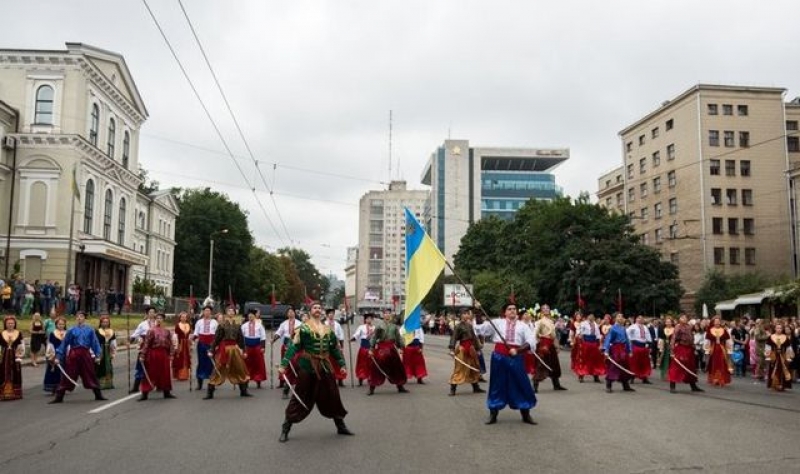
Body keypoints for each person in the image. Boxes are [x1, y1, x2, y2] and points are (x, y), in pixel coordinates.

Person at [278, 302, 352, 442]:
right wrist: (284, 364)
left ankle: (340, 426)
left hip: (325, 365)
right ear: (310, 311)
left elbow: (334, 349)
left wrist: (342, 363)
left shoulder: (328, 329)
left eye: (319, 308)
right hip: (307, 366)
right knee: (301, 395)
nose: (317, 310)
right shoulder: (304, 328)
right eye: (314, 308)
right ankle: (286, 427)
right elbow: (294, 347)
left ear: (322, 311)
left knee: (333, 395)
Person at [482, 302, 537, 425]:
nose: (512, 310)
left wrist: (518, 350)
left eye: (514, 309)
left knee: (521, 383)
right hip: (499, 357)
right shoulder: (497, 323)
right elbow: (482, 329)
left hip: (516, 357)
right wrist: (478, 311)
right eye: (509, 309)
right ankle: (493, 413)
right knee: (497, 384)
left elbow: (531, 341)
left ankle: (525, 413)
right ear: (505, 312)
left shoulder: (523, 326)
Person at [49, 311, 107, 403]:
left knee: (91, 374)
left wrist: (98, 355)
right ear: (76, 318)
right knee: (68, 375)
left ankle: (98, 394)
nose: (79, 318)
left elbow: (95, 343)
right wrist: (58, 357)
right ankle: (59, 397)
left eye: (81, 316)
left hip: (85, 355)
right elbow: (64, 344)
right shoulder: (71, 330)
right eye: (77, 316)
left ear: (84, 318)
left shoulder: (90, 330)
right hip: (73, 355)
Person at [203, 306, 251, 399]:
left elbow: (241, 339)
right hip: (224, 349)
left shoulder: (237, 324)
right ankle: (210, 392)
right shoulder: (222, 324)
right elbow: (216, 338)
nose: (231, 312)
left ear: (235, 313)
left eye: (232, 311)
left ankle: (243, 390)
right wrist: (211, 349)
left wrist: (244, 350)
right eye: (229, 311)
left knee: (240, 368)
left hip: (234, 349)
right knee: (218, 368)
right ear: (226, 313)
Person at [367, 310, 408, 395]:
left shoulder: (394, 326)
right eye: (385, 313)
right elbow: (374, 337)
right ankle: (371, 387)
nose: (387, 315)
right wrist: (371, 349)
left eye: (389, 313)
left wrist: (402, 346)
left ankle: (400, 386)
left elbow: (398, 337)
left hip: (392, 349)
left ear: (391, 315)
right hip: (381, 349)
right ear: (383, 315)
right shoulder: (379, 326)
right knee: (376, 368)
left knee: (397, 367)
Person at [138, 313, 176, 401]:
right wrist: (143, 355)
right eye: (157, 318)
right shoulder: (151, 331)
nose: (159, 319)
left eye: (161, 318)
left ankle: (167, 392)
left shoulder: (167, 331)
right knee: (151, 372)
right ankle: (144, 393)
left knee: (165, 373)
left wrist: (171, 354)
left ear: (163, 320)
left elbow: (171, 344)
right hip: (153, 354)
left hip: (164, 354)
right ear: (155, 320)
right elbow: (146, 344)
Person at [447, 307, 485, 396]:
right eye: (464, 313)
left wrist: (478, 348)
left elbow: (474, 338)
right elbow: (454, 338)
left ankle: (476, 387)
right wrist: (452, 349)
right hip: (462, 349)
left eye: (467, 313)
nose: (466, 315)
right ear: (460, 315)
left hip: (471, 349)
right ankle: (453, 388)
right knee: (459, 369)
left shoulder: (470, 326)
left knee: (474, 368)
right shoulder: (458, 326)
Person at [533, 304, 567, 391]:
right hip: (543, 344)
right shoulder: (539, 321)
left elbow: (554, 336)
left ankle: (556, 384)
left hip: (551, 344)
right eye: (543, 308)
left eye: (547, 308)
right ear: (541, 311)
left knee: (554, 363)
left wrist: (557, 346)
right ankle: (535, 386)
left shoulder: (552, 321)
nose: (546, 309)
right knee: (541, 364)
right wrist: (537, 343)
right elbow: (535, 334)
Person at [668, 314, 704, 393]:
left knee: (691, 367)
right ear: (679, 319)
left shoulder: (689, 327)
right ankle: (672, 386)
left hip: (689, 349)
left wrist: (694, 348)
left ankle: (693, 386)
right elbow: (673, 339)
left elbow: (692, 338)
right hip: (681, 348)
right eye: (682, 317)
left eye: (685, 317)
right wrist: (672, 351)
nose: (684, 319)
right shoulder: (678, 327)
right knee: (677, 367)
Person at [603, 313, 635, 393]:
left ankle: (625, 385)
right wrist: (606, 351)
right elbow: (608, 339)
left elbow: (627, 340)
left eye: (622, 316)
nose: (621, 318)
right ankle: (609, 384)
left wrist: (629, 350)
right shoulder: (613, 328)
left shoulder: (623, 328)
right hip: (616, 349)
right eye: (619, 317)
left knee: (625, 366)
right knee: (614, 366)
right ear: (615, 319)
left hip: (623, 349)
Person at [272, 307, 299, 398]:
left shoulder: (300, 323)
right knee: (285, 365)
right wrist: (273, 340)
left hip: (296, 347)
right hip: (286, 346)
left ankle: (295, 384)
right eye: (289, 312)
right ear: (287, 314)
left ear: (295, 313)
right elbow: (279, 333)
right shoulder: (284, 324)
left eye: (292, 312)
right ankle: (283, 382)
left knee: (295, 365)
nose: (291, 313)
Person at [129, 307, 157, 393]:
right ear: (147, 314)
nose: (152, 313)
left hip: (155, 347)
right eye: (150, 312)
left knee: (154, 366)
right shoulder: (143, 324)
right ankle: (135, 386)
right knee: (141, 366)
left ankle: (155, 384)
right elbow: (135, 334)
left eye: (153, 312)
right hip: (144, 347)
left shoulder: (157, 323)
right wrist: (130, 341)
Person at [191, 305, 218, 390]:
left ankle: (212, 383)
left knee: (211, 363)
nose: (207, 312)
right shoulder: (199, 322)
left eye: (208, 311)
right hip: (201, 344)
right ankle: (200, 383)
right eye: (205, 311)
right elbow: (196, 333)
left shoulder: (214, 322)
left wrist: (217, 345)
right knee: (201, 362)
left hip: (211, 344)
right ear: (203, 312)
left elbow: (217, 335)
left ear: (211, 312)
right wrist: (191, 340)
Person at [1, 315, 25, 400]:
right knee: (3, 372)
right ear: (5, 324)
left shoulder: (18, 333)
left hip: (15, 356)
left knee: (15, 372)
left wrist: (20, 354)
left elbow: (21, 345)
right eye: (8, 323)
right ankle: (4, 393)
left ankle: (16, 393)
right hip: (4, 357)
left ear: (14, 324)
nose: (10, 324)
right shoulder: (2, 333)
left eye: (12, 323)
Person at [241, 309, 267, 388]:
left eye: (252, 316)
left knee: (258, 364)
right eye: (249, 316)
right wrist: (242, 348)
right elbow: (241, 338)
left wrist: (263, 347)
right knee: (247, 364)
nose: (250, 317)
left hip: (257, 346)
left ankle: (258, 380)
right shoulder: (244, 325)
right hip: (247, 346)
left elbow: (263, 336)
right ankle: (246, 380)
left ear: (255, 316)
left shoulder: (259, 325)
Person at [577, 313, 605, 382]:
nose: (591, 317)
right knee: (584, 359)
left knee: (595, 359)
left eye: (593, 316)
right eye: (590, 315)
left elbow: (598, 334)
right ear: (587, 316)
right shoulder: (583, 323)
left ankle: (596, 375)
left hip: (594, 343)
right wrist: (579, 335)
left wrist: (600, 343)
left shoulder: (595, 324)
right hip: (586, 343)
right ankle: (581, 375)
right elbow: (579, 331)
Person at [765, 323, 794, 392]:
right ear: (775, 329)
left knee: (783, 370)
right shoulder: (771, 337)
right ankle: (775, 384)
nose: (779, 329)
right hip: (774, 356)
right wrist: (768, 355)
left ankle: (782, 385)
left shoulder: (785, 337)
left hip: (783, 356)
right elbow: (768, 347)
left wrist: (789, 357)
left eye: (780, 328)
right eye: (777, 328)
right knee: (774, 369)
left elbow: (788, 348)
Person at [705, 317, 732, 387]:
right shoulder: (710, 330)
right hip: (713, 350)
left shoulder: (724, 330)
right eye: (715, 321)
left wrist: (729, 350)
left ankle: (721, 379)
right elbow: (707, 342)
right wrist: (707, 350)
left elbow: (728, 341)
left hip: (722, 350)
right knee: (714, 364)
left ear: (720, 322)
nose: (717, 323)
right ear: (713, 323)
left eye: (718, 321)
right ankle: (714, 379)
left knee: (722, 364)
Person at [626, 315, 653, 384]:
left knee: (644, 363)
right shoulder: (632, 327)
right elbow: (627, 334)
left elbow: (648, 336)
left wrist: (650, 345)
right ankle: (632, 377)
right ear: (636, 319)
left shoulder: (645, 327)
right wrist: (629, 343)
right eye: (638, 318)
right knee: (634, 362)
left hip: (643, 347)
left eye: (641, 318)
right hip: (635, 346)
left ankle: (644, 377)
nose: (640, 319)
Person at [324, 308, 347, 388]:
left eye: (332, 313)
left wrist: (341, 345)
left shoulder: (337, 324)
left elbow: (341, 335)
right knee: (328, 363)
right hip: (326, 346)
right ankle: (329, 380)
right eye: (329, 313)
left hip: (336, 345)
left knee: (339, 361)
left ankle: (340, 379)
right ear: (327, 315)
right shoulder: (324, 324)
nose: (331, 315)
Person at [43, 317, 67, 393]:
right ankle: (54, 386)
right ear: (56, 324)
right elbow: (50, 345)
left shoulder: (67, 333)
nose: (61, 325)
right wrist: (51, 355)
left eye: (62, 324)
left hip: (65, 354)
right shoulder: (53, 333)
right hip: (55, 353)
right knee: (55, 370)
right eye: (59, 324)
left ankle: (63, 386)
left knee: (64, 370)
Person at [350, 313, 375, 386]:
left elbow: (377, 337)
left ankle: (370, 378)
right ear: (365, 320)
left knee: (371, 364)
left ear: (372, 319)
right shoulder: (361, 327)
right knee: (362, 364)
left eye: (370, 318)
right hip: (363, 348)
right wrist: (352, 339)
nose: (369, 320)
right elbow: (356, 335)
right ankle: (360, 378)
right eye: (367, 318)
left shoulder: (374, 328)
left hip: (371, 348)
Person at [95, 314, 116, 390]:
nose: (105, 323)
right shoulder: (97, 331)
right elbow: (95, 342)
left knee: (108, 366)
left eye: (107, 322)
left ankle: (109, 383)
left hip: (108, 350)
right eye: (103, 322)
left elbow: (113, 343)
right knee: (100, 366)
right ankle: (99, 383)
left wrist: (113, 353)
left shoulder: (111, 331)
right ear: (100, 323)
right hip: (100, 350)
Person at [172, 311, 192, 381]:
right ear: (180, 318)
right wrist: (176, 345)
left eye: (185, 317)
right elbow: (175, 336)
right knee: (179, 359)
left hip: (186, 344)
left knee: (186, 358)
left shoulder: (188, 325)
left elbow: (189, 336)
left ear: (186, 318)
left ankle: (185, 374)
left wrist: (190, 344)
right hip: (180, 343)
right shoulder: (178, 325)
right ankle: (179, 375)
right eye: (182, 317)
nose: (183, 318)